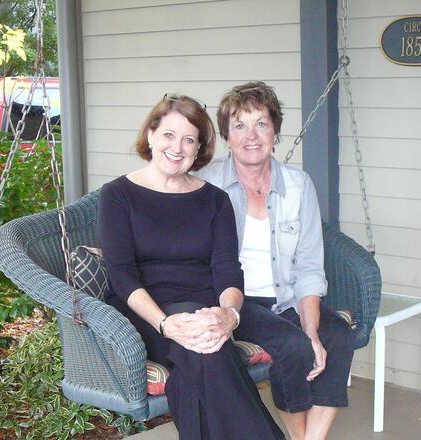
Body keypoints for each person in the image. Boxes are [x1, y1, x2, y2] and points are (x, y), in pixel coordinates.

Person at [98, 94, 284, 440]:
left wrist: (230, 316)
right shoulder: (118, 195)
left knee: (200, 359)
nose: (177, 147)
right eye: (169, 135)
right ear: (151, 134)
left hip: (205, 313)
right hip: (146, 314)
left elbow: (228, 270)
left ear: (199, 149)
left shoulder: (214, 200)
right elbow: (121, 274)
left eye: (189, 139)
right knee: (208, 354)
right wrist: (167, 324)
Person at [196, 82, 353, 440]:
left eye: (261, 124)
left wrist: (311, 327)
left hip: (286, 299)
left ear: (275, 131)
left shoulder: (298, 186)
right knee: (293, 346)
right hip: (235, 300)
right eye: (239, 125)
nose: (251, 136)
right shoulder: (206, 185)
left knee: (339, 335)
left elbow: (310, 266)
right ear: (226, 135)